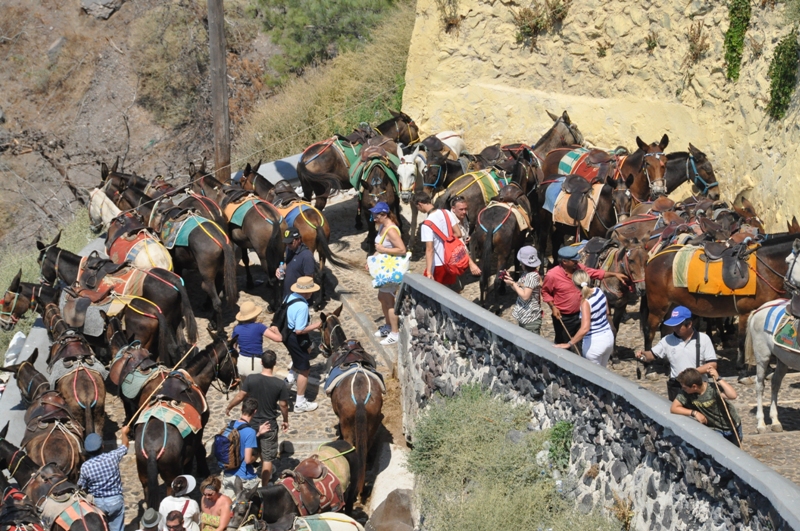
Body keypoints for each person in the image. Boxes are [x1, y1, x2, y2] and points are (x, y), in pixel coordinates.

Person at [542, 245, 626, 355]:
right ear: (564, 262)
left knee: (582, 343)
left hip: (581, 314)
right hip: (564, 317)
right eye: (574, 260)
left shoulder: (579, 268)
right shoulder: (552, 275)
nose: (577, 262)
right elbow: (545, 292)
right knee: (563, 344)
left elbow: (596, 273)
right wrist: (553, 307)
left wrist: (614, 274)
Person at [225, 350, 290, 486]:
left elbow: (240, 396)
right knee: (267, 459)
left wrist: (229, 407)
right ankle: (265, 486)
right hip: (269, 425)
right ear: (275, 363)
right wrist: (285, 420)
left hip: (252, 424)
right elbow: (283, 405)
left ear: (261, 362)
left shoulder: (251, 379)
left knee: (250, 451)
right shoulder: (280, 384)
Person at [635, 306, 718, 401]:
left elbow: (712, 365)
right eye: (673, 325)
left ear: (689, 324)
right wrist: (643, 355)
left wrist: (690, 374)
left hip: (697, 388)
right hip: (677, 387)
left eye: (678, 326)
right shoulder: (667, 340)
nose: (675, 328)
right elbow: (652, 355)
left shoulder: (703, 339)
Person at [264, 276, 322, 412]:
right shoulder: (302, 306)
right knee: (305, 369)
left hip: (286, 334)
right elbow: (299, 330)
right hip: (295, 338)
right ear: (307, 292)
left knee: (301, 355)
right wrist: (316, 325)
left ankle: (289, 380)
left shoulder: (290, 297)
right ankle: (300, 403)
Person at [277, 227, 317, 387]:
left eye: (290, 242)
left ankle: (294, 370)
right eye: (286, 243)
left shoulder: (306, 256)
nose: (288, 245)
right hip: (289, 298)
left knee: (299, 336)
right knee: (294, 334)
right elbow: (287, 265)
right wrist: (280, 270)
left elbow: (309, 279)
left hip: (300, 300)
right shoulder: (290, 250)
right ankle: (298, 359)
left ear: (298, 239)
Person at [554, 270, 615, 367]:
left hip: (595, 344)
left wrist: (569, 344)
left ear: (574, 284)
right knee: (603, 372)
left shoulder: (585, 302)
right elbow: (607, 311)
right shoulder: (599, 291)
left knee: (593, 374)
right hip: (608, 338)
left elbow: (585, 328)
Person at [671, 367, 743, 446]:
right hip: (715, 429)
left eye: (685, 387)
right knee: (719, 448)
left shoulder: (712, 389)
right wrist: (694, 413)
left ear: (694, 386)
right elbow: (674, 408)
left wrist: (718, 378)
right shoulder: (686, 393)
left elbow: (733, 395)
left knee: (735, 450)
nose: (682, 389)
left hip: (732, 426)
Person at [77, 427, 130, 531]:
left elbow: (81, 486)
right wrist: (124, 433)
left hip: (98, 504)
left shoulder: (85, 467)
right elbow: (125, 446)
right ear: (102, 446)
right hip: (115, 501)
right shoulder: (112, 457)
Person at [369, 201, 407, 345]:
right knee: (382, 297)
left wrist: (383, 250)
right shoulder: (382, 227)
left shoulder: (391, 230)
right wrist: (372, 258)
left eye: (376, 215)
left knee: (389, 301)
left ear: (384, 214)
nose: (374, 218)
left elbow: (402, 250)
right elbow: (380, 247)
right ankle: (388, 325)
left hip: (390, 271)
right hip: (384, 269)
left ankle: (394, 332)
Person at [414, 191, 463, 286]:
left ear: (420, 204)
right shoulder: (446, 213)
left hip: (438, 264)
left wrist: (429, 272)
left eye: (417, 208)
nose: (419, 210)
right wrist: (447, 241)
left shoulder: (426, 224)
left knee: (429, 290)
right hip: (451, 261)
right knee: (449, 290)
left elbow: (430, 249)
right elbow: (458, 233)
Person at [220, 397, 266, 497]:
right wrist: (256, 456)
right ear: (255, 411)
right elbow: (248, 460)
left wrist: (258, 434)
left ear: (241, 408)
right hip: (244, 479)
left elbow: (240, 441)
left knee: (231, 505)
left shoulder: (230, 425)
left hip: (228, 475)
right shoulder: (250, 432)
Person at [504, 246, 542, 334]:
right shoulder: (526, 274)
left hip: (530, 319)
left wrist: (513, 284)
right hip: (524, 317)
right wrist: (511, 282)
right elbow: (520, 290)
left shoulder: (532, 276)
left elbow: (525, 296)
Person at [449, 195, 481, 291]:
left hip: (461, 258)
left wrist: (467, 237)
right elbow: (459, 245)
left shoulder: (464, 216)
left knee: (461, 285)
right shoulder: (450, 221)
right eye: (461, 209)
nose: (464, 212)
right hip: (451, 260)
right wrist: (472, 264)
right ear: (453, 209)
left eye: (465, 209)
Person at [232, 301, 268, 377]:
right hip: (254, 364)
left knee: (243, 384)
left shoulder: (236, 329)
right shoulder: (259, 326)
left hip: (241, 362)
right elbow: (278, 338)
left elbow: (233, 346)